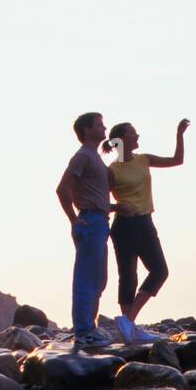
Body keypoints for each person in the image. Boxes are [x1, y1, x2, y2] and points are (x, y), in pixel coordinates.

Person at [103, 118, 189, 342]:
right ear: (122, 140)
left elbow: (177, 160)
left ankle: (128, 321)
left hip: (144, 222)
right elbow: (98, 201)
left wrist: (179, 134)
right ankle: (128, 327)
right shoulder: (112, 171)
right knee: (128, 276)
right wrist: (116, 206)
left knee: (159, 271)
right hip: (124, 225)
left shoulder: (143, 160)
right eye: (133, 133)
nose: (138, 136)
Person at [55, 112, 113, 348]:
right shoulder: (82, 157)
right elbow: (62, 189)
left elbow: (94, 195)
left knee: (98, 280)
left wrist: (117, 207)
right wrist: (73, 219)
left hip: (100, 220)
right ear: (87, 130)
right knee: (87, 280)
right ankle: (83, 332)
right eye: (100, 124)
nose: (104, 127)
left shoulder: (94, 157)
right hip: (89, 221)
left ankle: (91, 328)